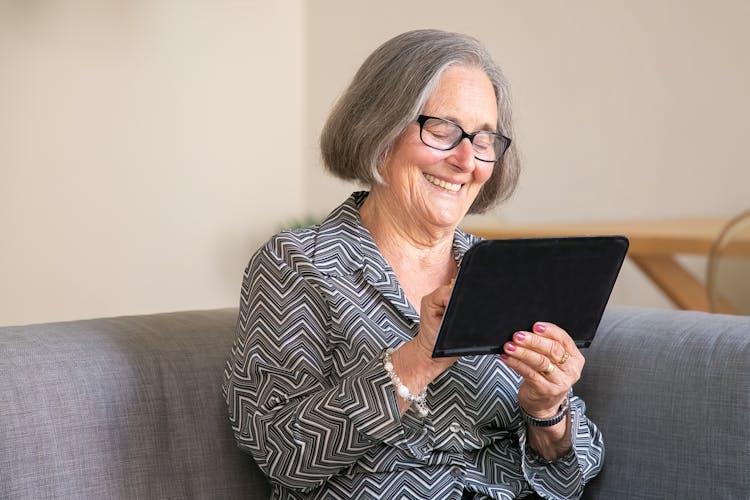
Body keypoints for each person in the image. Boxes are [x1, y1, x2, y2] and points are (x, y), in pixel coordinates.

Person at [223, 29, 603, 499]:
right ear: (380, 132)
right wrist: (416, 360)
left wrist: (548, 410)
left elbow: (574, 473)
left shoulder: (497, 269)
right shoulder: (299, 264)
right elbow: (282, 453)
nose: (467, 160)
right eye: (443, 131)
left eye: (484, 139)